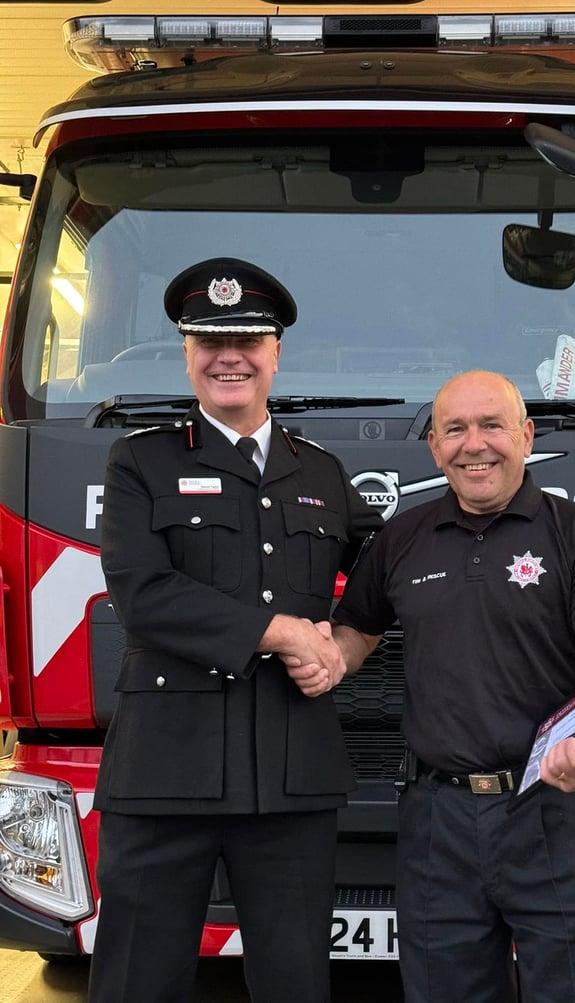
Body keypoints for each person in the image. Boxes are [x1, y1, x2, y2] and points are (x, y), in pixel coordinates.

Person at [296, 370, 575, 1003]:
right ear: (433, 446)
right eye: (454, 429)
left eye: (492, 426)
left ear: (526, 436)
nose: (473, 444)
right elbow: (358, 632)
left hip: (557, 808)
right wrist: (321, 658)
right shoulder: (402, 538)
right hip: (439, 820)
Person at [88, 258, 384, 1003]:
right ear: (187, 353)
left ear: (276, 353)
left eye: (249, 338)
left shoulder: (320, 472)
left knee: (295, 982)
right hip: (164, 775)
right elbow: (144, 592)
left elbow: (386, 575)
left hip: (291, 777)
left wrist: (346, 648)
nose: (231, 356)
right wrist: (283, 629)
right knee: (136, 982)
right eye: (209, 340)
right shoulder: (141, 462)